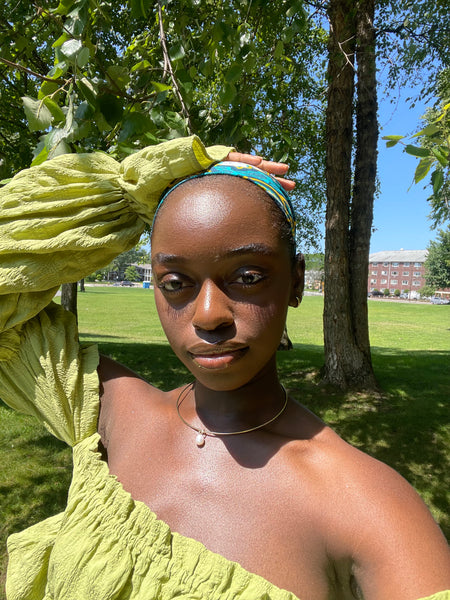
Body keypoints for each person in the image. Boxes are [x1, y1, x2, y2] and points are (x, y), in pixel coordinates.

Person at [0, 135, 448, 600]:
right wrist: (133, 189)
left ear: (295, 282)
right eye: (175, 282)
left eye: (248, 277)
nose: (209, 315)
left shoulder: (367, 506)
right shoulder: (108, 413)